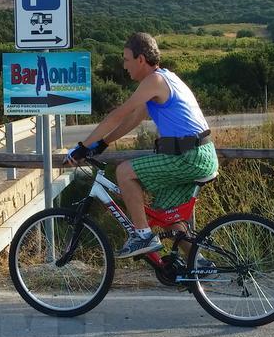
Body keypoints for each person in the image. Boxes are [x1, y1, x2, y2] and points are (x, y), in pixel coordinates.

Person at [65, 32, 218, 258]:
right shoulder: (165, 78)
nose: (124, 66)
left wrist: (83, 147)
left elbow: (118, 115)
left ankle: (142, 236)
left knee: (124, 172)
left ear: (141, 59)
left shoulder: (154, 81)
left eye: (126, 60)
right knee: (166, 217)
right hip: (198, 154)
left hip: (190, 156)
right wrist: (103, 143)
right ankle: (200, 264)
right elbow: (134, 118)